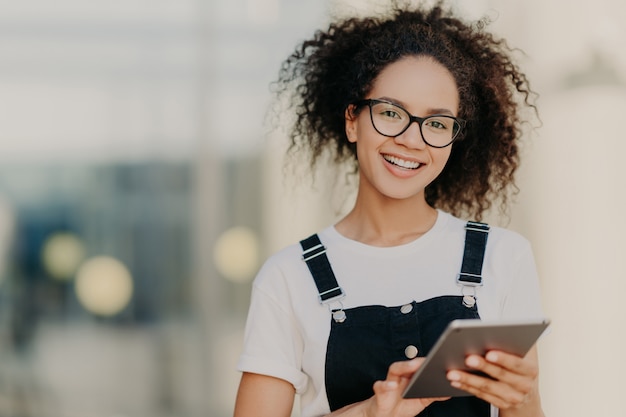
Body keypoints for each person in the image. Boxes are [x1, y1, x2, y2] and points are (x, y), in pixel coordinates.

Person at [234, 2, 545, 417]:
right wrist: (367, 413)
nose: (411, 140)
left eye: (436, 123)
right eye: (391, 113)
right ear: (352, 120)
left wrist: (523, 398)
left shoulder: (504, 258)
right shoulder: (288, 277)